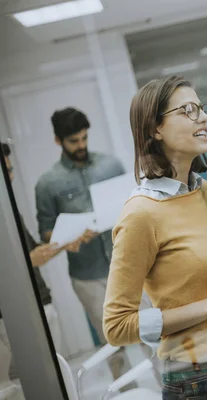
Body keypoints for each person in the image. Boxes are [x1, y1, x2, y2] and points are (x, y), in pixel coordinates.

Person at [103, 76, 207, 400]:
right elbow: (117, 325)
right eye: (188, 110)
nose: (203, 117)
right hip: (198, 381)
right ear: (155, 129)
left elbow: (203, 279)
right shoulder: (141, 214)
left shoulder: (201, 190)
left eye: (201, 109)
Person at [34, 107, 127, 374]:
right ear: (58, 141)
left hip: (128, 262)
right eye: (73, 141)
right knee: (112, 342)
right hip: (88, 276)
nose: (81, 145)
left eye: (84, 138)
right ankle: (124, 390)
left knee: (152, 332)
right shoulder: (47, 184)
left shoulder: (111, 164)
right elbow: (46, 232)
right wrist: (73, 234)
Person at [0, 142, 63, 381]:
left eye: (11, 169)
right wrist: (29, 260)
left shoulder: (10, 211)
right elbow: (24, 261)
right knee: (31, 375)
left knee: (52, 368)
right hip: (15, 311)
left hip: (40, 299)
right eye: (5, 171)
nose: (12, 176)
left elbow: (35, 253)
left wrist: (64, 242)